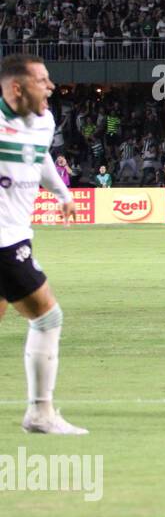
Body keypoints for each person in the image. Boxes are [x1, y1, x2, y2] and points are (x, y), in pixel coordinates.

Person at [0, 55, 83, 435]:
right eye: (42, 80)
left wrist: (62, 192)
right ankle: (40, 413)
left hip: (17, 234)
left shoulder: (44, 121)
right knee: (48, 316)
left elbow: (40, 157)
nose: (50, 86)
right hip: (4, 242)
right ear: (17, 88)